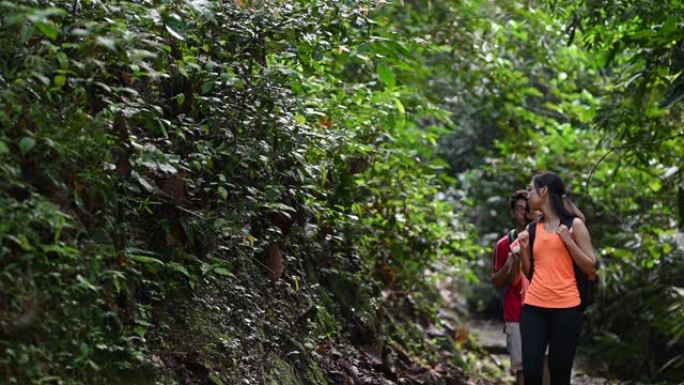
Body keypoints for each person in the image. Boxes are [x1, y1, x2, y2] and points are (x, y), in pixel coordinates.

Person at [517, 172, 597, 385]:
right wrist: (525, 250)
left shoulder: (575, 225)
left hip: (567, 309)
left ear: (543, 191)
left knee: (559, 373)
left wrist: (568, 242)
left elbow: (590, 265)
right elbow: (529, 273)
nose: (528, 196)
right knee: (532, 371)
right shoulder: (533, 228)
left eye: (531, 189)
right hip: (534, 307)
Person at [491, 189, 529, 385]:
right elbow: (496, 282)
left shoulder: (544, 239)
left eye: (527, 209)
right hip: (515, 313)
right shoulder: (504, 244)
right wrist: (508, 263)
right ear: (513, 213)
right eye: (520, 209)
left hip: (542, 311)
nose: (524, 213)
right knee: (521, 369)